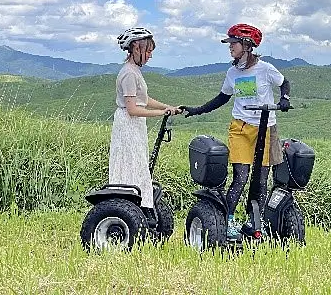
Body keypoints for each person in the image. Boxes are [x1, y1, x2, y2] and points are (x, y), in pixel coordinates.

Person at [181, 23, 291, 239]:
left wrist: (284, 98)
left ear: (247, 45)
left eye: (234, 43)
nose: (230, 47)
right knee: (241, 177)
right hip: (240, 128)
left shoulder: (265, 69)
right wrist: (197, 110)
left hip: (266, 128)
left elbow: (284, 82)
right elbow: (223, 97)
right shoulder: (232, 72)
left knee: (260, 179)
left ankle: (254, 222)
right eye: (230, 43)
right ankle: (227, 221)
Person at [110, 27, 181, 228]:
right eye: (147, 50)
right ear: (135, 47)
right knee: (131, 163)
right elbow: (132, 108)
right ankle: (131, 207)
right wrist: (161, 114)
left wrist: (167, 107)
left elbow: (143, 99)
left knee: (137, 163)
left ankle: (138, 208)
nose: (150, 55)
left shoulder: (134, 72)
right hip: (128, 124)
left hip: (134, 125)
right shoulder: (129, 74)